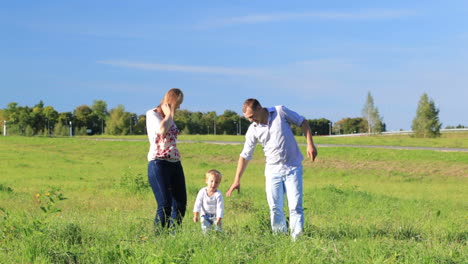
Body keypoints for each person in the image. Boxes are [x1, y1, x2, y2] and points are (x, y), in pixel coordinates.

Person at [226, 98, 317, 240]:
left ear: (259, 109)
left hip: (293, 167)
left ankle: (297, 239)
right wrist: (237, 179)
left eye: (251, 116)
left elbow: (303, 122)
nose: (250, 120)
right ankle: (279, 238)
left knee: (295, 207)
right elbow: (245, 155)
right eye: (247, 118)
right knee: (275, 208)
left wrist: (310, 144)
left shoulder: (280, 112)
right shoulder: (253, 130)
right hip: (273, 171)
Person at [146, 88, 187, 230]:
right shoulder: (152, 114)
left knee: (180, 204)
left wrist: (170, 114)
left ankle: (173, 236)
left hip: (175, 163)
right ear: (172, 102)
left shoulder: (170, 117)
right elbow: (162, 130)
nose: (179, 107)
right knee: (165, 204)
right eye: (178, 104)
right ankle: (159, 238)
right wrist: (170, 113)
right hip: (158, 163)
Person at [193, 169, 224, 234]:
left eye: (216, 182)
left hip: (216, 216)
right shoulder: (202, 192)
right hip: (205, 215)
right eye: (211, 181)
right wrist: (196, 215)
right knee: (205, 230)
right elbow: (198, 204)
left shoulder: (218, 194)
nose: (213, 184)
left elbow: (220, 207)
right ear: (206, 181)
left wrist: (219, 218)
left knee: (218, 231)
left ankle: (219, 239)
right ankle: (206, 240)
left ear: (219, 183)